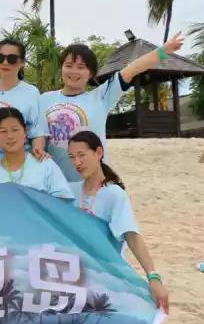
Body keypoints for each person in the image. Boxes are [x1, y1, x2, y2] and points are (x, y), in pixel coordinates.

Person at [42, 33, 185, 182]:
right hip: (54, 184)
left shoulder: (102, 96)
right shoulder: (44, 99)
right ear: (62, 68)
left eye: (81, 67)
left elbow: (133, 68)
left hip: (93, 184)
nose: (73, 71)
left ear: (90, 73)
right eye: (68, 66)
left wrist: (163, 51)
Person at [68, 131, 169, 312]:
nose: (76, 162)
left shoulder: (114, 194)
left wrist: (153, 277)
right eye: (72, 157)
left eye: (81, 155)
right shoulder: (69, 191)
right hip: (76, 274)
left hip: (106, 274)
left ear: (99, 153)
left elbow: (131, 236)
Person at [0, 38, 48, 180]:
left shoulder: (31, 93)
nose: (5, 62)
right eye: (0, 58)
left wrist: (37, 152)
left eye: (12, 59)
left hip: (16, 162)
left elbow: (37, 132)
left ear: (22, 63)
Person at [0, 107, 71, 199]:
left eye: (15, 130)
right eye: (3, 131)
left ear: (25, 132)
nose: (10, 136)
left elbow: (64, 201)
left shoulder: (46, 165)